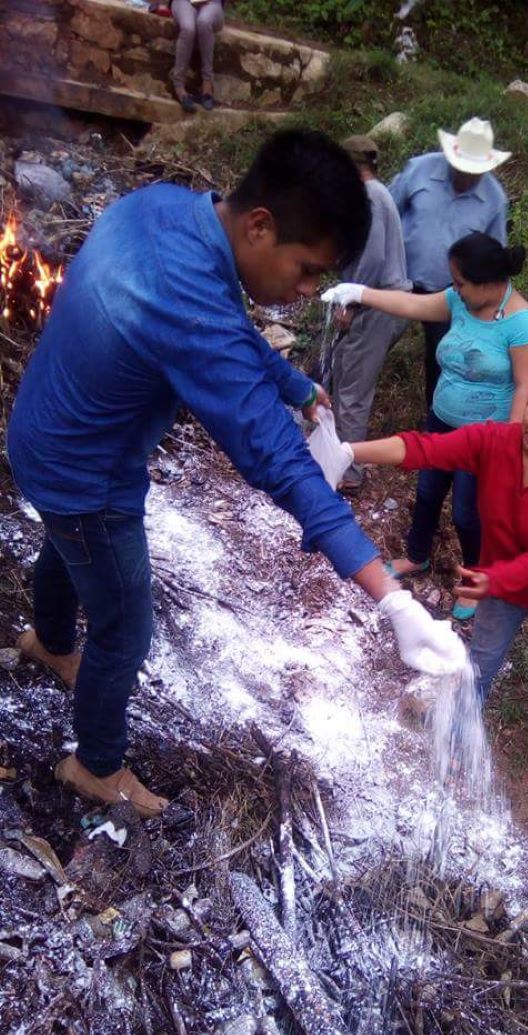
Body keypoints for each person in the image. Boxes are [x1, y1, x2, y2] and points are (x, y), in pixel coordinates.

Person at [7, 128, 465, 820]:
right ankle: (95, 763)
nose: (309, 288)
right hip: (89, 479)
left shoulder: (165, 209)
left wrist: (290, 381)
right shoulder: (187, 301)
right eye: (308, 268)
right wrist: (391, 598)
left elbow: (221, 324)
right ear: (260, 225)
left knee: (66, 548)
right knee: (127, 625)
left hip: (43, 429)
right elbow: (277, 458)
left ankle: (49, 641)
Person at [344, 367, 528, 786]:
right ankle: (459, 737)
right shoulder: (493, 441)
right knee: (477, 666)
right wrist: (351, 451)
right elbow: (423, 449)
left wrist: (494, 582)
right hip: (498, 581)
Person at [323, 231, 528, 620]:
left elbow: (526, 386)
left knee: (467, 513)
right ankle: (417, 556)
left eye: (460, 282)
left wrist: (512, 441)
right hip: (442, 419)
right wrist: (361, 293)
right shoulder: (459, 301)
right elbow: (412, 304)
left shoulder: (522, 324)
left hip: (485, 437)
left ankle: (476, 580)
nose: (454, 290)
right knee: (426, 492)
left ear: (489, 282)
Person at [389, 117, 511, 408]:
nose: (466, 175)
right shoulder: (419, 170)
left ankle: (436, 423)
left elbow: (494, 256)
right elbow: (386, 211)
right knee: (369, 344)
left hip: (450, 294)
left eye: (474, 171)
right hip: (398, 279)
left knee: (443, 361)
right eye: (461, 167)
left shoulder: (494, 199)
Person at [328, 135, 411, 493]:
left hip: (378, 303)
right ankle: (332, 455)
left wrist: (352, 302)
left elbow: (374, 258)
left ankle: (350, 472)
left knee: (353, 389)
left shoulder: (371, 197)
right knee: (341, 373)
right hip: (377, 300)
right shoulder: (374, 194)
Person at [170, 0, 225, 112]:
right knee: (188, 28)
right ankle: (179, 86)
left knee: (204, 22)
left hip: (212, 3)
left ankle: (207, 85)